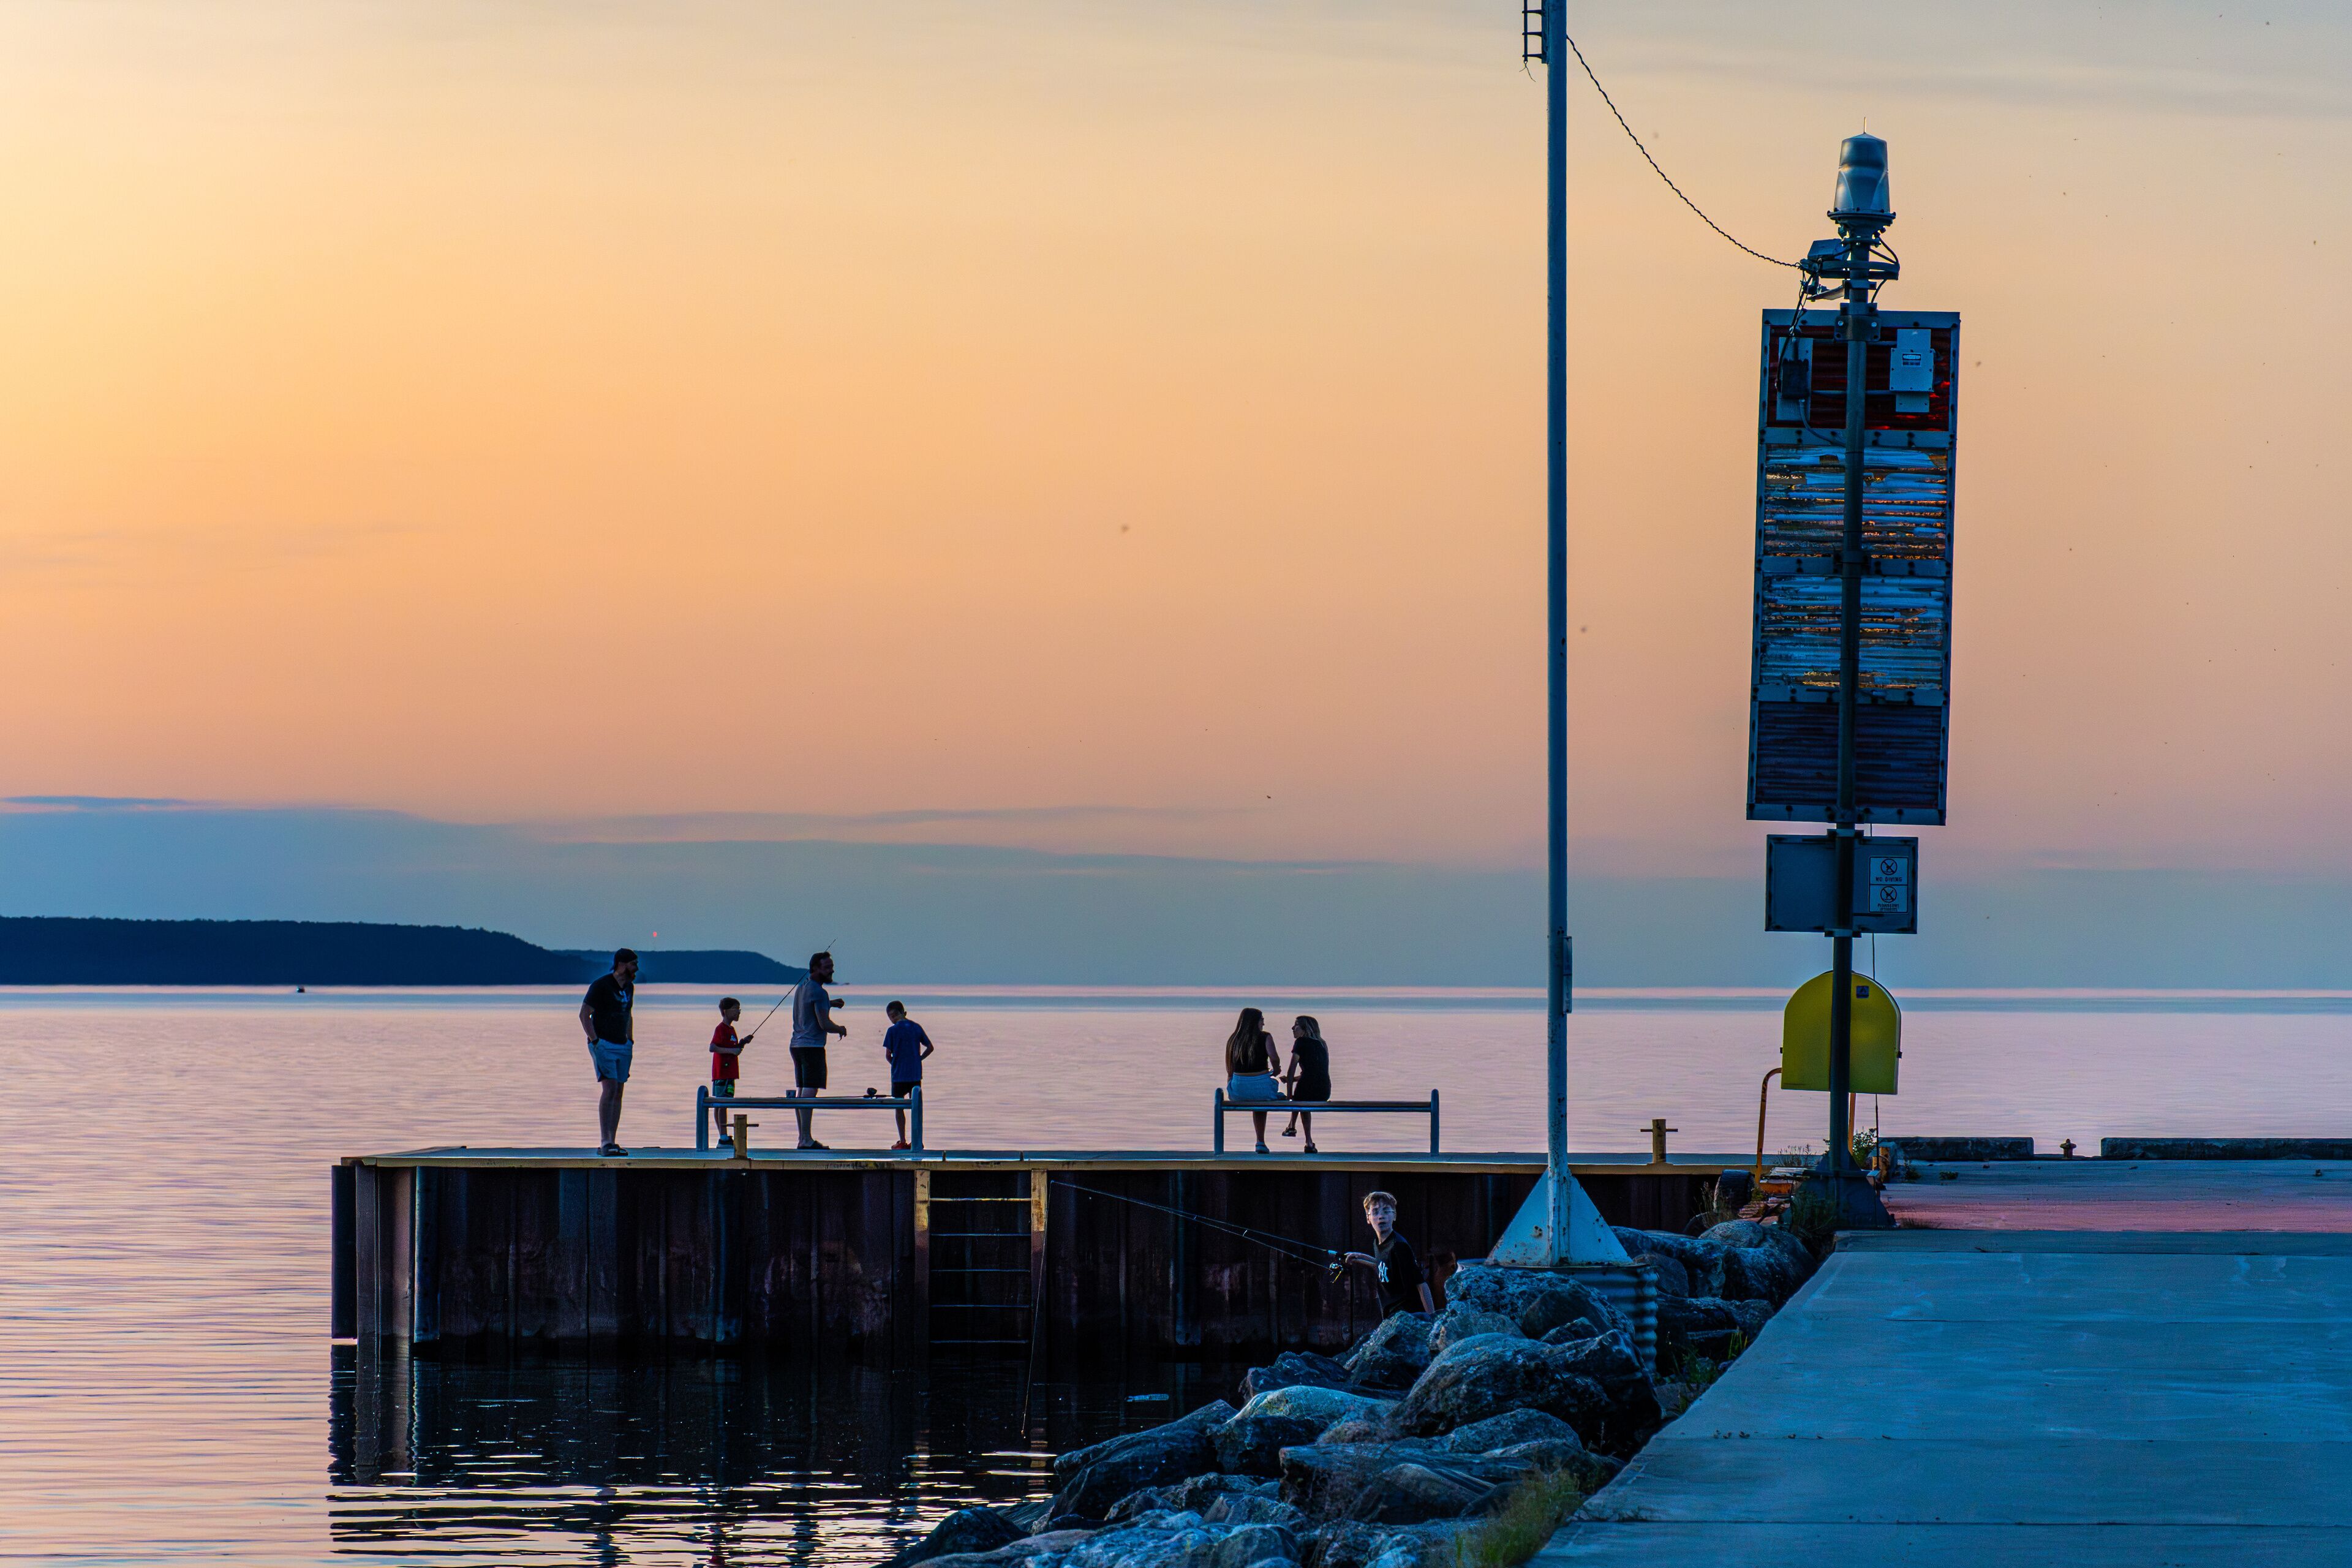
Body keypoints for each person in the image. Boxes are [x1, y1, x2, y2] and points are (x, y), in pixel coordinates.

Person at [576, 949, 638, 1157]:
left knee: (619, 1091)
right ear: (621, 964)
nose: (636, 968)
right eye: (633, 964)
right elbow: (585, 1014)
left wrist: (630, 1041)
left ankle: (612, 1140)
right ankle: (605, 1141)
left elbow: (628, 1014)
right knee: (610, 1088)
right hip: (604, 1044)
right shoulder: (601, 986)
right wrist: (595, 1041)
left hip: (623, 1045)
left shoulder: (629, 987)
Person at [788, 952, 848, 1150]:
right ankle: (805, 1139)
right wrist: (840, 1029)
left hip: (797, 1045)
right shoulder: (820, 993)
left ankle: (803, 1138)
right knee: (810, 1091)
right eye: (827, 967)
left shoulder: (803, 987)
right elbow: (824, 1024)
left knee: (802, 1090)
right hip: (812, 1046)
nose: (832, 970)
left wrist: (830, 1004)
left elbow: (810, 1006)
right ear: (815, 968)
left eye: (831, 966)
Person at [1343, 1189, 1434, 1316]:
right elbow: (1385, 1266)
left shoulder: (1399, 1246)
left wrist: (1432, 1318)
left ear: (1394, 1216)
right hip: (1390, 1313)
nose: (1381, 1216)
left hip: (1406, 1315)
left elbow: (1420, 1283)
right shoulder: (1378, 1243)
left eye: (1386, 1211)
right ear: (1368, 1218)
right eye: (1375, 1212)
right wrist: (1360, 1257)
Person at [1224, 1006, 1284, 1153]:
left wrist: (1232, 1086)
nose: (1263, 1023)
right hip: (1261, 1089)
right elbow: (1275, 1058)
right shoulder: (1265, 1037)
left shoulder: (1234, 1039)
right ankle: (1260, 1141)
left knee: (1260, 1095)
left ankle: (1260, 1141)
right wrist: (1276, 1070)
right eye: (1262, 1020)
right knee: (1263, 1099)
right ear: (1255, 1021)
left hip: (1238, 1090)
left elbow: (1230, 1069)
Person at [881, 1000, 935, 1150]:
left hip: (899, 1076)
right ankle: (917, 1140)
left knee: (899, 1107)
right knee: (916, 1107)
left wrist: (896, 1064)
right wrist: (919, 1059)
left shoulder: (892, 1031)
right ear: (904, 1012)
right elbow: (930, 1047)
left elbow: (888, 1055)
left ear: (892, 1016)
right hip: (915, 1075)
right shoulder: (916, 1027)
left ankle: (903, 1141)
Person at [1280, 1014, 1332, 1153]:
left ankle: (1302, 1135)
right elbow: (1314, 1071)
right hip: (1324, 1091)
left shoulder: (1301, 1042)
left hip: (1306, 1092)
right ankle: (1293, 1128)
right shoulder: (1322, 1043)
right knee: (1303, 1095)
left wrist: (1289, 1097)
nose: (1292, 1028)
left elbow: (1291, 1071)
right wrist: (1293, 1080)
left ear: (1304, 1029)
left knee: (1301, 1099)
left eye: (1296, 1025)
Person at [710, 996, 749, 1147]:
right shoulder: (721, 1029)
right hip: (722, 1073)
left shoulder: (732, 1030)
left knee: (723, 1103)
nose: (738, 1012)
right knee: (722, 1103)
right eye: (736, 1009)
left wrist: (742, 1043)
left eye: (739, 1010)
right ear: (726, 1011)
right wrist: (732, 1051)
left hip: (730, 1073)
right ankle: (723, 1137)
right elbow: (713, 1047)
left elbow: (733, 1049)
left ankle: (723, 1136)